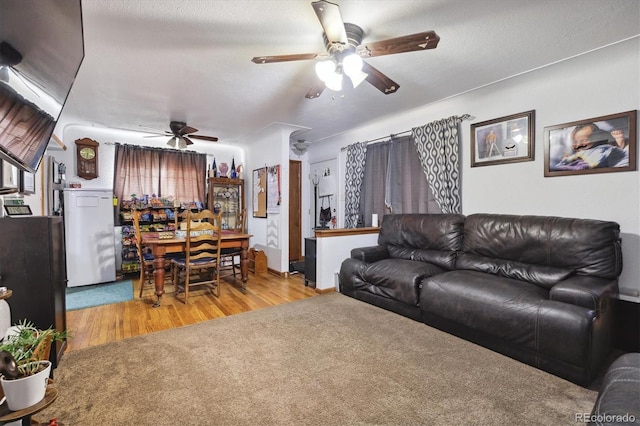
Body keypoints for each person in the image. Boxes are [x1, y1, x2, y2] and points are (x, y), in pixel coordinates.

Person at [553, 123, 628, 170]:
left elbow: (615, 151)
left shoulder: (601, 147)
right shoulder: (577, 150)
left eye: (584, 140)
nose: (579, 144)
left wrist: (619, 140)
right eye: (576, 141)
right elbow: (570, 159)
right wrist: (566, 158)